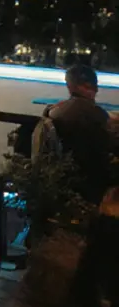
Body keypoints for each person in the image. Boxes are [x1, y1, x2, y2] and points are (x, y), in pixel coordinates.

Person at [44, 64, 112, 205]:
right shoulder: (96, 114)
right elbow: (108, 146)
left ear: (69, 86)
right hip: (92, 178)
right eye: (92, 86)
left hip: (62, 176)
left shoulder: (54, 111)